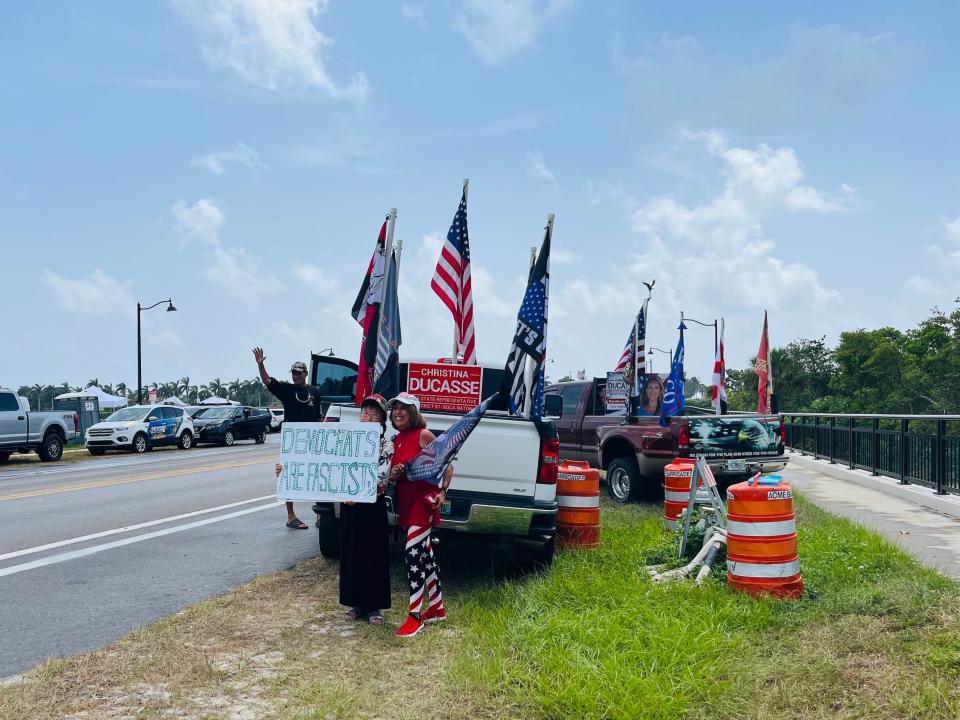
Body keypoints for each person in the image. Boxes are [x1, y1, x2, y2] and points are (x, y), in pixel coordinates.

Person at [387, 392, 453, 638]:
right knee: (425, 554)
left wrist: (443, 492)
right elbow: (394, 475)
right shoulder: (397, 439)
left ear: (413, 412)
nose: (397, 413)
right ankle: (437, 608)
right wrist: (394, 474)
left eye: (403, 408)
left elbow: (448, 465)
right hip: (406, 502)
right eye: (395, 409)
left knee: (412, 553)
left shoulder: (422, 435)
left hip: (423, 504)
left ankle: (415, 616)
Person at [339, 394, 393, 624]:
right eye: (365, 412)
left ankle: (374, 607)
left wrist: (358, 496)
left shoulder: (386, 443)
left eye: (375, 413)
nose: (369, 417)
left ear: (382, 419)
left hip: (372, 505)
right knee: (351, 552)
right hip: (349, 506)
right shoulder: (347, 439)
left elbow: (382, 476)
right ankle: (355, 603)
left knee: (373, 553)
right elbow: (330, 465)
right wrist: (288, 468)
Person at [253, 347, 322, 529]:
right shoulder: (286, 390)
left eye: (299, 373)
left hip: (311, 439)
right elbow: (267, 381)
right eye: (293, 373)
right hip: (292, 441)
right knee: (289, 474)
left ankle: (320, 513)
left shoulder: (315, 391)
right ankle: (291, 516)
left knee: (315, 472)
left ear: (305, 373)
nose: (296, 376)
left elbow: (318, 416)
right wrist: (261, 365)